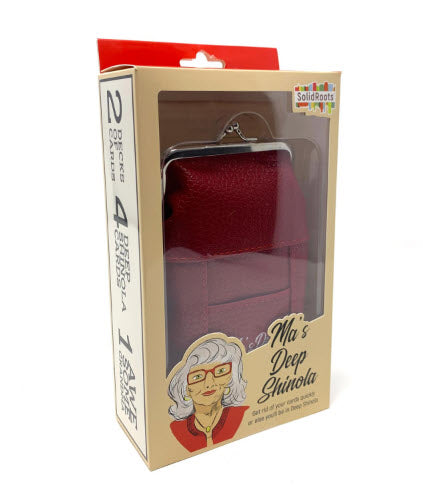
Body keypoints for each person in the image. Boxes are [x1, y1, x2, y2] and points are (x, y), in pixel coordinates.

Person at [168, 337, 248, 452]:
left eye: (220, 371)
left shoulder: (241, 415)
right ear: (185, 388)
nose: (209, 384)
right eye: (197, 376)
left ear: (231, 378)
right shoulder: (177, 429)